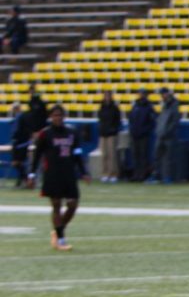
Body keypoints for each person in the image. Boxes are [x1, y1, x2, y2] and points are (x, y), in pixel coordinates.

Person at [27, 104, 89, 251]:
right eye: (55, 115)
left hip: (68, 173)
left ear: (64, 116)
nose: (58, 118)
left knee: (73, 205)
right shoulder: (45, 134)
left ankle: (58, 230)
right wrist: (32, 174)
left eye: (60, 115)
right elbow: (37, 156)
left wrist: (84, 172)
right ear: (50, 117)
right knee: (56, 205)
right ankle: (61, 239)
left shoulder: (72, 132)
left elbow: (78, 154)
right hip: (52, 174)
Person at [127, 89, 156, 181]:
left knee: (143, 155)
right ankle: (136, 174)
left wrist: (145, 130)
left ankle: (143, 174)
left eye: (142, 93)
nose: (141, 95)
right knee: (135, 155)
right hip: (135, 133)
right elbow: (131, 118)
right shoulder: (135, 105)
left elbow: (152, 121)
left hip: (143, 134)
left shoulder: (148, 106)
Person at [96, 90, 122, 183]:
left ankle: (113, 174)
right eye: (105, 95)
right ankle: (105, 173)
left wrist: (114, 130)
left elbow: (118, 120)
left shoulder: (114, 108)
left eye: (108, 95)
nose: (107, 97)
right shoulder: (102, 107)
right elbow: (100, 119)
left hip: (111, 134)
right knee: (104, 155)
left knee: (112, 155)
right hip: (103, 134)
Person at [9, 101, 34, 187]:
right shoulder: (19, 117)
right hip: (20, 143)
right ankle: (23, 180)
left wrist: (16, 140)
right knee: (18, 163)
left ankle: (25, 179)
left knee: (17, 162)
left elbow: (20, 131)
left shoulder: (21, 117)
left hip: (20, 143)